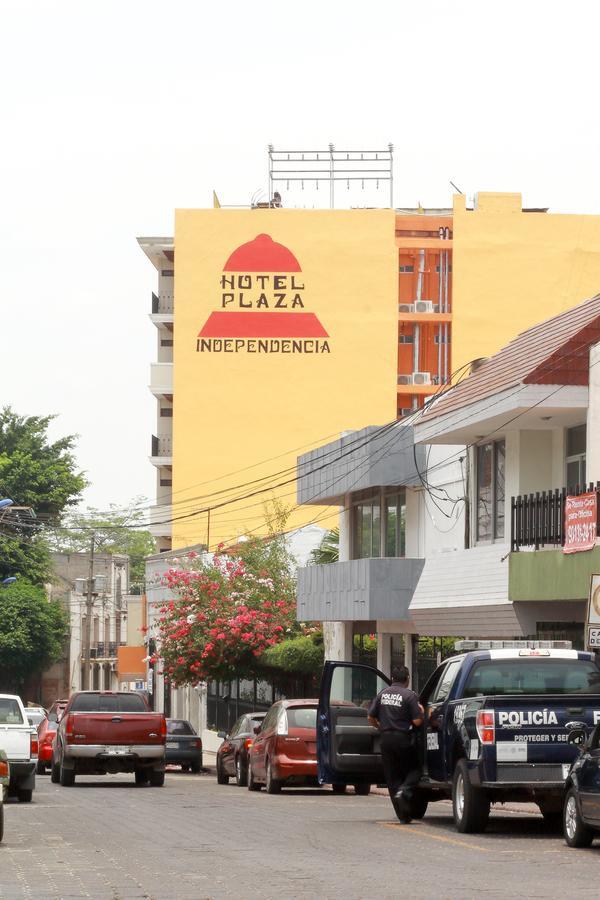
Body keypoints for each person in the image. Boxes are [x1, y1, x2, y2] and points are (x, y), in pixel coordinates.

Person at [368, 665, 423, 822]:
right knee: (414, 770)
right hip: (403, 738)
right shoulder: (410, 695)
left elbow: (370, 717)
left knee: (392, 777)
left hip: (385, 739)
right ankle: (405, 791)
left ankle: (403, 816)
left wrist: (381, 727)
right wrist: (422, 712)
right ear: (407, 679)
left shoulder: (382, 694)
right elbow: (417, 721)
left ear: (392, 679)